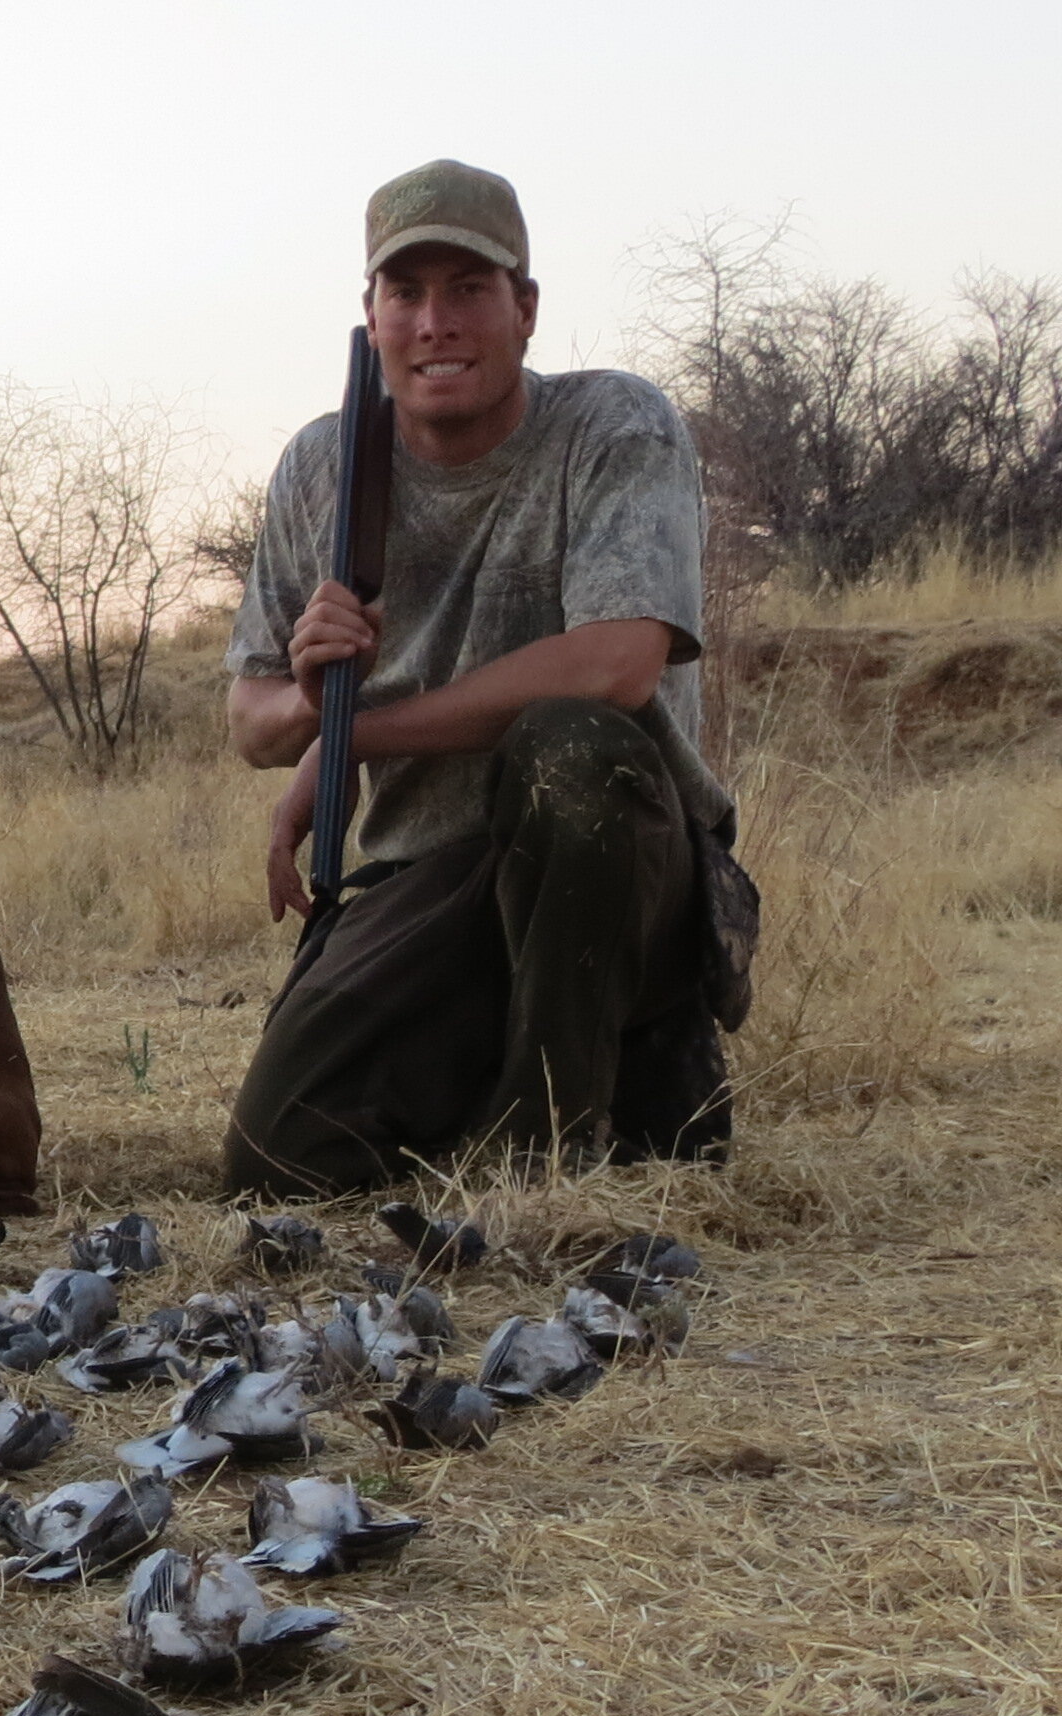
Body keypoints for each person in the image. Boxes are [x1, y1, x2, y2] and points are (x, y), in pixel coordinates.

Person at [220, 159, 754, 1198]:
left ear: (525, 309)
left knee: (571, 746)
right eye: (405, 292)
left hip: (622, 862)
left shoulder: (613, 424)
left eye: (468, 289)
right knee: (277, 1158)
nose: (436, 322)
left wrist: (353, 734)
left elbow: (617, 663)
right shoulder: (321, 465)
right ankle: (546, 1077)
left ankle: (553, 1140)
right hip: (435, 874)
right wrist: (309, 687)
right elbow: (251, 720)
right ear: (370, 316)